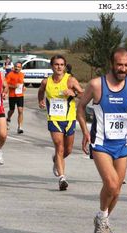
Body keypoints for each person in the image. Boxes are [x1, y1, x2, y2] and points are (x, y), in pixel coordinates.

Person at [76, 47, 127, 233]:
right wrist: (84, 131)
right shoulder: (96, 85)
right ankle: (102, 218)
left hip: (122, 144)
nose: (122, 69)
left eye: (126, 65)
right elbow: (80, 107)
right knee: (111, 183)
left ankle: (103, 219)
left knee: (116, 189)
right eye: (119, 65)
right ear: (112, 64)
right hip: (100, 143)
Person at [37, 55, 84, 191]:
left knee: (68, 150)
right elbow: (41, 91)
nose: (59, 67)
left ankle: (56, 161)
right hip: (54, 119)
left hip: (69, 119)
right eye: (56, 64)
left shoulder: (70, 80)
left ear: (65, 66)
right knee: (59, 146)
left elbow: (83, 94)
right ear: (52, 66)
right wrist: (40, 100)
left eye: (61, 65)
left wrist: (73, 94)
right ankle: (62, 178)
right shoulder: (46, 82)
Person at [6, 61, 25, 133]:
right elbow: (6, 84)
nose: (17, 68)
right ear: (14, 67)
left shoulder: (22, 74)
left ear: (21, 68)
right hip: (12, 95)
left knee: (20, 110)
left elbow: (22, 82)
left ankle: (20, 127)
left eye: (19, 67)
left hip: (20, 95)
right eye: (16, 66)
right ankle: (8, 118)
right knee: (12, 110)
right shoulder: (10, 74)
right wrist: (13, 86)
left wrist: (24, 86)